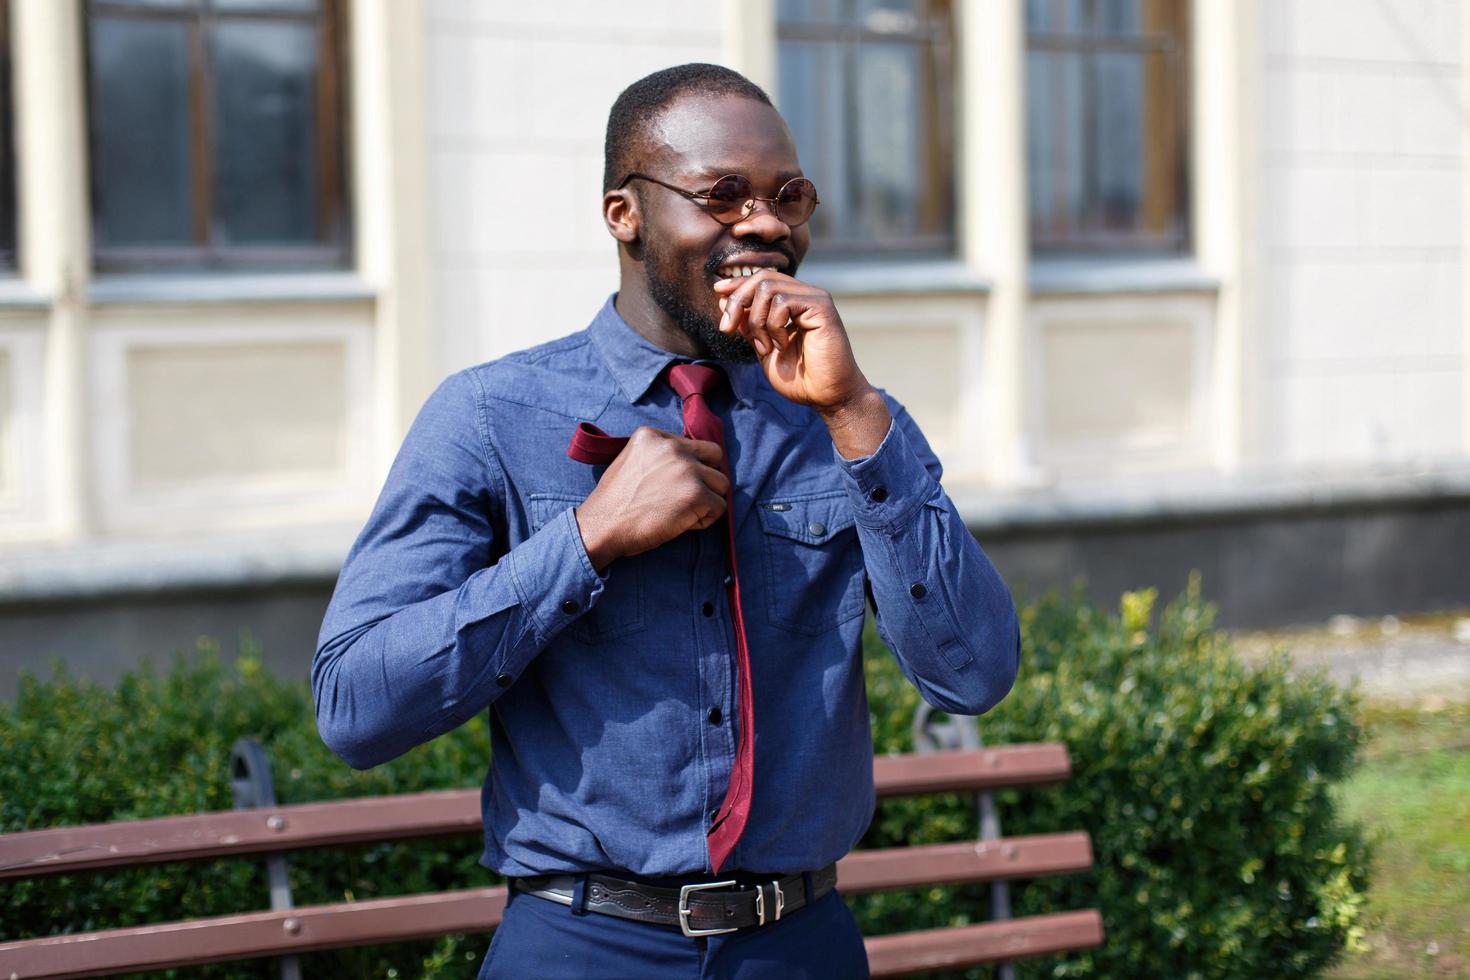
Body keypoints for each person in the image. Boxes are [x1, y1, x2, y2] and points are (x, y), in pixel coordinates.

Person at [313, 63, 1020, 979]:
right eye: (722, 194)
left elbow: (975, 673)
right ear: (625, 214)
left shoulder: (842, 420)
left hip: (800, 947)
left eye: (787, 197)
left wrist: (853, 415)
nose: (765, 224)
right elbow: (355, 706)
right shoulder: (489, 416)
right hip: (580, 946)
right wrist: (587, 539)